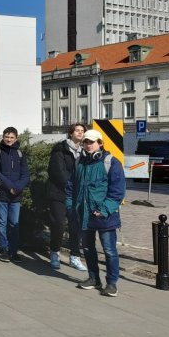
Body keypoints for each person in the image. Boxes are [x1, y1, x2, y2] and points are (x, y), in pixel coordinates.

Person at [67, 130, 125, 297]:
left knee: (109, 250)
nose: (88, 145)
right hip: (83, 214)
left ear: (100, 143)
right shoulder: (79, 162)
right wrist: (71, 206)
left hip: (105, 216)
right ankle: (93, 278)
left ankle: (112, 283)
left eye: (92, 142)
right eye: (86, 142)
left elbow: (117, 192)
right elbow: (71, 187)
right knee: (87, 248)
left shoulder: (111, 162)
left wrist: (104, 210)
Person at [47, 123, 87, 271]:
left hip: (77, 195)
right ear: (71, 133)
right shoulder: (60, 149)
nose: (80, 133)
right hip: (59, 193)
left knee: (75, 226)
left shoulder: (84, 151)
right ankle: (55, 252)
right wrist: (71, 186)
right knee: (58, 223)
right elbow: (58, 171)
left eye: (82, 131)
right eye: (77, 130)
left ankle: (75, 256)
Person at [0, 126, 29, 263]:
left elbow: (25, 174)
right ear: (3, 137)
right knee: (2, 223)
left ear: (16, 138)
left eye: (11, 137)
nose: (9, 139)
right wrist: (10, 187)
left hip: (16, 195)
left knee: (14, 223)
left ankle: (13, 251)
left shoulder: (20, 154)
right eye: (6, 137)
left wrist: (18, 187)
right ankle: (3, 249)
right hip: (2, 194)